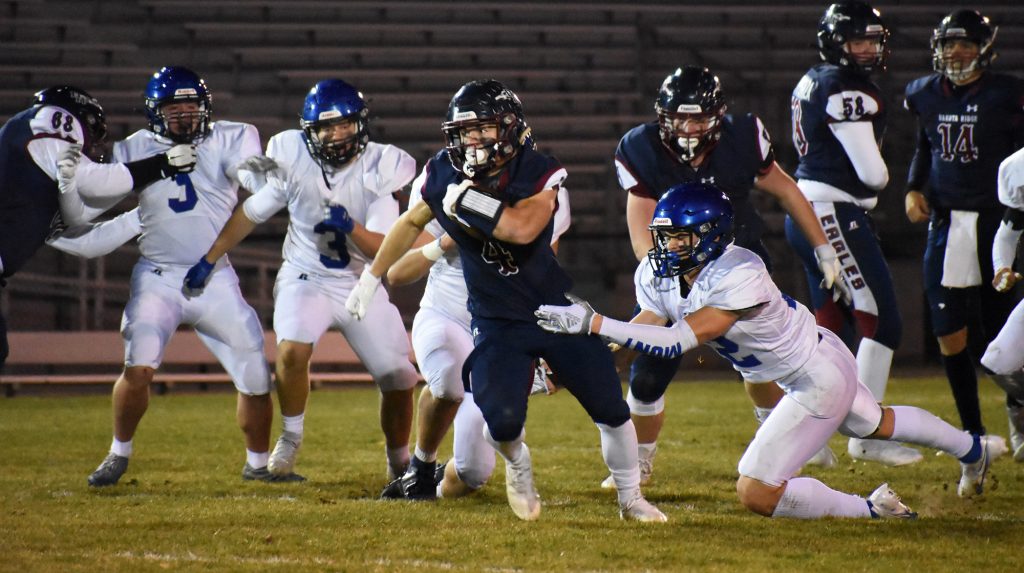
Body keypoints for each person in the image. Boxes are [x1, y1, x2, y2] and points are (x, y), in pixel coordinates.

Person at [537, 183, 993, 519]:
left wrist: (595, 320)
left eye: (681, 237)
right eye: (665, 236)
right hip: (815, 356)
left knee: (757, 490)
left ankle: (871, 510)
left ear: (712, 235)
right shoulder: (662, 275)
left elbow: (679, 339)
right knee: (877, 423)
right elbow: (641, 331)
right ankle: (973, 450)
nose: (669, 247)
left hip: (815, 376)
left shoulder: (740, 270)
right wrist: (574, 360)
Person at [345, 79, 666, 522]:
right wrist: (372, 275)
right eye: (463, 133)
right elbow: (410, 221)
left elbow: (522, 230)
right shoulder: (443, 172)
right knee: (503, 421)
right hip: (494, 322)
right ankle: (516, 466)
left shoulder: (539, 171)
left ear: (511, 128)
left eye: (482, 130)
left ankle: (631, 499)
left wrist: (471, 203)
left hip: (553, 313)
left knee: (611, 407)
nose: (471, 142)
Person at [612, 64, 843, 486]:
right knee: (648, 372)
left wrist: (824, 246)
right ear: (663, 116)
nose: (688, 127)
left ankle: (787, 436)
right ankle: (640, 461)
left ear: (717, 116)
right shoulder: (641, 148)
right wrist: (665, 283)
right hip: (676, 265)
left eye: (698, 116)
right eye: (680, 117)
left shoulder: (741, 136)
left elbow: (787, 188)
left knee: (761, 366)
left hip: (738, 265)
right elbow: (642, 228)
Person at [183, 78, 419, 481]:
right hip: (304, 275)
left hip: (360, 282)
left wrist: (352, 228)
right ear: (308, 133)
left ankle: (399, 460)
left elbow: (384, 251)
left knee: (399, 377)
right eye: (326, 128)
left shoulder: (383, 165)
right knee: (292, 350)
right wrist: (209, 257)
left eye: (343, 125)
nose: (336, 135)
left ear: (360, 125)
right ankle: (290, 438)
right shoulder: (289, 154)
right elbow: (252, 211)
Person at [85, 66, 298, 486]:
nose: (184, 115)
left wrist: (261, 176)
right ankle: (118, 453)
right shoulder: (134, 148)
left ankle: (257, 465)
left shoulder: (233, 136)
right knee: (138, 365)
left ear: (206, 108)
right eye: (173, 107)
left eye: (190, 106)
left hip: (214, 275)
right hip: (158, 277)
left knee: (255, 374)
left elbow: (250, 177)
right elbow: (96, 199)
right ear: (154, 112)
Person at [786, 1, 922, 466]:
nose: (866, 50)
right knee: (882, 322)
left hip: (807, 209)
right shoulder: (846, 90)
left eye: (872, 40)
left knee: (830, 332)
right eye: (856, 41)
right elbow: (873, 174)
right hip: (832, 211)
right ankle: (867, 433)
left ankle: (809, 436)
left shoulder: (816, 78)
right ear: (836, 41)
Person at [379, 174, 568, 501]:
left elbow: (541, 280)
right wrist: (444, 243)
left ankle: (433, 486)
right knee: (450, 382)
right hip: (446, 315)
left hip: (496, 334)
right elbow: (398, 273)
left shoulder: (541, 189)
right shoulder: (446, 180)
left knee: (473, 472)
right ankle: (420, 468)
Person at [0, 85, 194, 369]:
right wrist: (162, 165)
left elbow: (84, 241)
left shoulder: (38, 180)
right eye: (95, 133)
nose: (94, 145)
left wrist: (143, 216)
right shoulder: (48, 119)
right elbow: (94, 180)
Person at [904, 9, 1023, 451]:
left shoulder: (1008, 95)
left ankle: (1017, 416)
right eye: (949, 44)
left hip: (997, 222)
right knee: (948, 333)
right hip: (946, 222)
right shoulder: (924, 94)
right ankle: (973, 434)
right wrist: (913, 188)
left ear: (984, 50)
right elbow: (924, 145)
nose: (956, 52)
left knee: (1000, 338)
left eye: (966, 44)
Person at [980, 147, 1024, 461]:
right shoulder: (1017, 169)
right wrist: (1001, 268)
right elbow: (1008, 232)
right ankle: (1019, 421)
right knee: (998, 362)